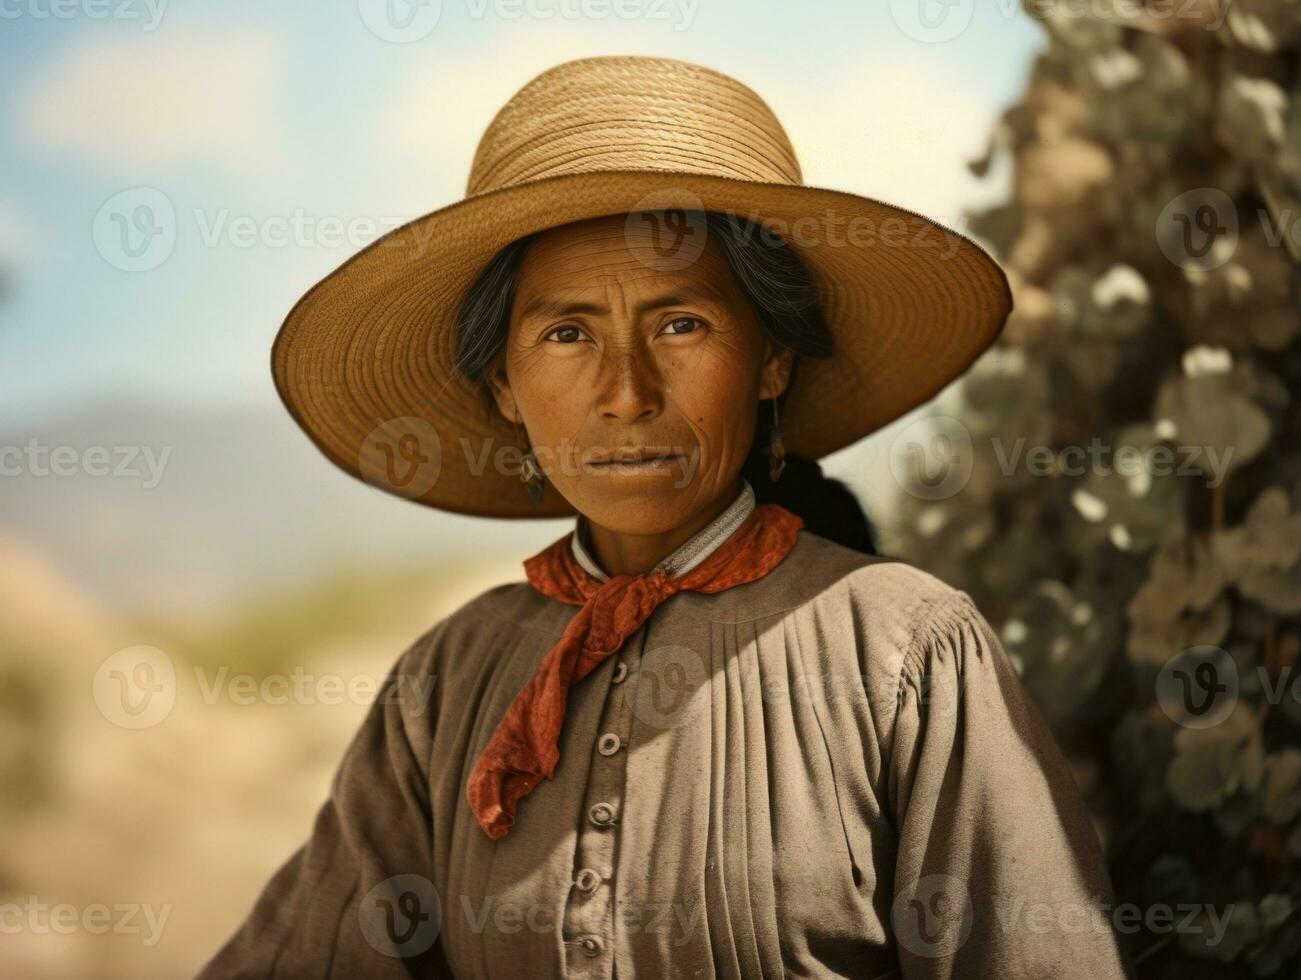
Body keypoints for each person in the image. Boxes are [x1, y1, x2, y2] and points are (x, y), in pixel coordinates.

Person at [198, 55, 1132, 979]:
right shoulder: (444, 686)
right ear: (505, 388)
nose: (626, 393)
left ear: (770, 362)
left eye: (680, 323)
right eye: (566, 335)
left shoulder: (907, 649)